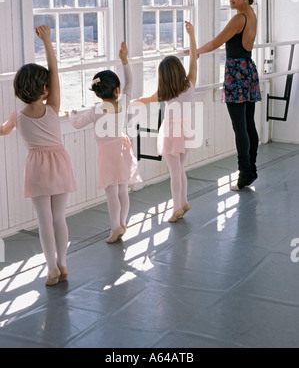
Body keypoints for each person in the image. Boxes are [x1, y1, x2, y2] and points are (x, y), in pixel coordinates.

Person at [0, 25, 77, 285]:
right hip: (59, 163)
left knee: (44, 220)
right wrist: (47, 42)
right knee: (59, 217)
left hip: (36, 167)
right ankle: (63, 264)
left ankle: (51, 267)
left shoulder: (17, 117)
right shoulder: (53, 107)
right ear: (45, 88)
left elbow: (2, 132)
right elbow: (55, 74)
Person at [195, 0, 261, 191]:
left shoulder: (238, 19)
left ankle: (244, 172)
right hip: (248, 69)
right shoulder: (251, 13)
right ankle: (251, 169)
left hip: (236, 72)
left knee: (240, 128)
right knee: (248, 124)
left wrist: (194, 52)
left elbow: (215, 43)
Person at [67, 42, 142, 243]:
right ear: (117, 90)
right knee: (122, 189)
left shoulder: (95, 110)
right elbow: (130, 82)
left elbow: (77, 125)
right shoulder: (122, 104)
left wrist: (71, 115)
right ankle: (122, 223)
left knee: (111, 193)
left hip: (107, 154)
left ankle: (115, 227)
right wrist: (124, 60)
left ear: (97, 92)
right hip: (123, 149)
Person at [131, 21, 197, 222]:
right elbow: (194, 57)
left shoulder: (165, 93)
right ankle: (183, 202)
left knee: (174, 173)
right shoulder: (190, 84)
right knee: (179, 170)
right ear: (179, 70)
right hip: (187, 130)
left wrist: (127, 103)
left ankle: (177, 207)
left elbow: (143, 100)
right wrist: (191, 35)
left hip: (171, 134)